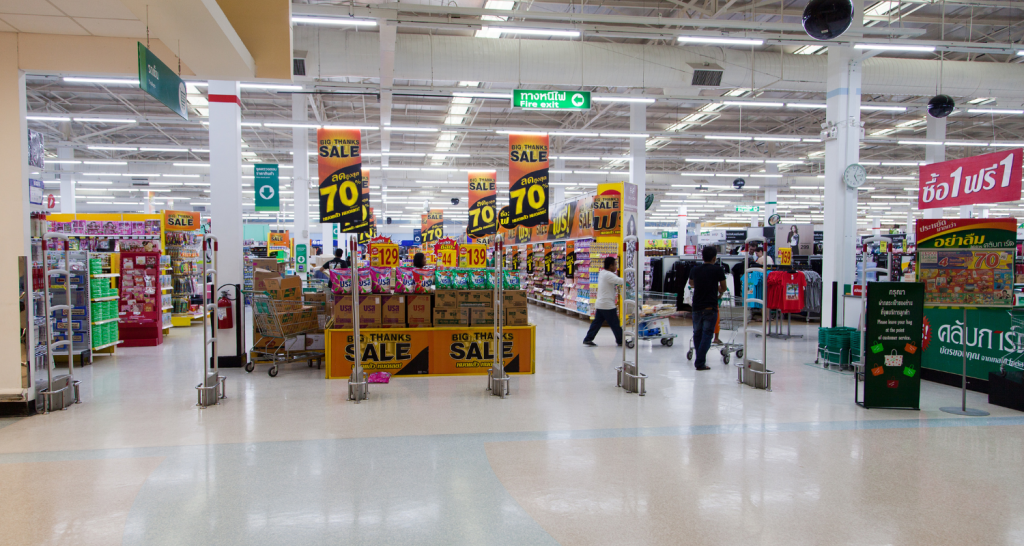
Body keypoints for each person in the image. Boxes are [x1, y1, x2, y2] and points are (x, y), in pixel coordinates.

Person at [688, 246, 727, 370]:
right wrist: (718, 291)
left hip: (697, 306)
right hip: (710, 307)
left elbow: (691, 283)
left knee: (697, 334)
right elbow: (723, 287)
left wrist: (700, 284)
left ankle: (700, 361)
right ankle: (700, 361)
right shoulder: (718, 270)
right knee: (707, 334)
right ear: (714, 258)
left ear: (702, 257)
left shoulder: (695, 269)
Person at [583, 256, 624, 347]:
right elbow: (621, 281)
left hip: (601, 303)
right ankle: (621, 340)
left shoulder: (602, 273)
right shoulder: (608, 275)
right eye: (615, 265)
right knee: (615, 323)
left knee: (596, 323)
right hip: (607, 305)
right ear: (610, 266)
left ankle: (588, 338)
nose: (616, 267)